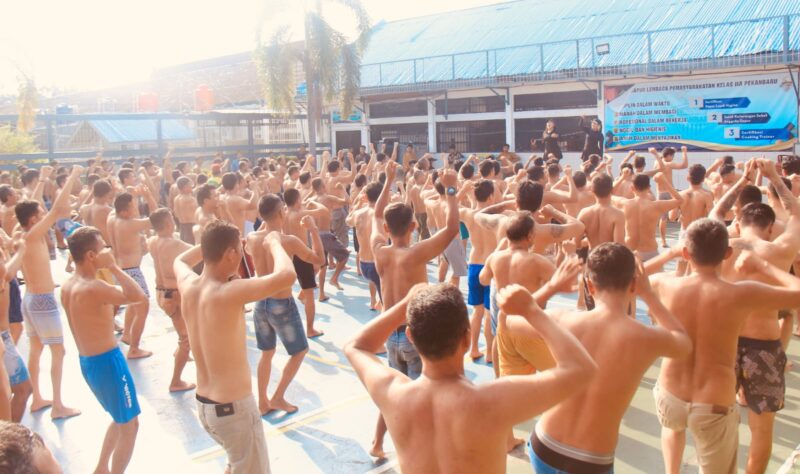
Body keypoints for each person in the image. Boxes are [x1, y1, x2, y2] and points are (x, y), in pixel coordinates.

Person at [345, 281, 596, 474]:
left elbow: (355, 346)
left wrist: (407, 304)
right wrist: (532, 311)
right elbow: (581, 369)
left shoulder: (393, 394)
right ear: (467, 338)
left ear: (411, 336)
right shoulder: (491, 402)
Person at [649, 218, 800, 474]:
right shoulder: (740, 294)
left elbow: (627, 276)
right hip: (713, 403)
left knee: (672, 430)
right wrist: (764, 266)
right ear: (728, 253)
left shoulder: (666, 284)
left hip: (671, 393)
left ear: (686, 253)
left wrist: (669, 254)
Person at [530, 243, 691, 473]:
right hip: (590, 460)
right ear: (633, 285)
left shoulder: (562, 319)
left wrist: (552, 286)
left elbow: (510, 319)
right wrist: (648, 294)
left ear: (589, 286)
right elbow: (684, 343)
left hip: (545, 444)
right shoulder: (645, 337)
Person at [175, 221, 296, 474]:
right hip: (233, 410)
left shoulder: (188, 284)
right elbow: (287, 276)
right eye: (239, 249)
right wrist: (274, 242)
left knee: (236, 463)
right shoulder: (228, 292)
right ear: (230, 254)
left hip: (206, 407)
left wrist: (209, 243)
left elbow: (180, 260)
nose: (241, 254)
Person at [367, 161, 460, 458]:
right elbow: (452, 229)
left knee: (393, 393)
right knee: (425, 395)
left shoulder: (379, 252)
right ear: (413, 226)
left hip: (390, 337)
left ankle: (377, 443)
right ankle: (424, 451)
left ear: (387, 229)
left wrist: (388, 180)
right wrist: (451, 189)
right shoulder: (416, 253)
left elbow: (376, 214)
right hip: (414, 333)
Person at [717, 159, 800, 474]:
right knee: (761, 429)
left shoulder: (722, 245)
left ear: (738, 222)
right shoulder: (778, 251)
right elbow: (797, 214)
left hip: (725, 344)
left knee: (717, 422)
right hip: (764, 346)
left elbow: (717, 212)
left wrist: (742, 182)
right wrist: (775, 178)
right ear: (770, 227)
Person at [61, 226, 146, 474]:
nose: (108, 251)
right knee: (130, 425)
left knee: (120, 418)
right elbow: (137, 295)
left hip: (89, 362)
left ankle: (101, 467)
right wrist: (114, 267)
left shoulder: (68, 286)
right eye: (103, 248)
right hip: (108, 363)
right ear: (91, 255)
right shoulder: (93, 287)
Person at [246, 194, 324, 414]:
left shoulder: (252, 237)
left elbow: (251, 247)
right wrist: (313, 230)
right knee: (299, 351)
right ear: (281, 212)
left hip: (261, 301)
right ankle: (278, 396)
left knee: (267, 353)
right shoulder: (288, 241)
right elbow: (319, 260)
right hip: (281, 302)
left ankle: (263, 402)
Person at [15, 165, 82, 419]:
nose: (43, 214)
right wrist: (73, 176)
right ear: (34, 219)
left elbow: (32, 206)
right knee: (58, 351)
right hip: (42, 300)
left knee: (36, 348)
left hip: (30, 300)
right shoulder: (33, 234)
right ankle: (58, 405)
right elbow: (56, 209)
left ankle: (38, 399)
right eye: (39, 213)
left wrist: (43, 179)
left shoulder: (22, 232)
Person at [146, 209, 195, 392]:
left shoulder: (152, 241)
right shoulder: (173, 243)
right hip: (173, 295)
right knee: (186, 339)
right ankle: (176, 381)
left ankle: (180, 353)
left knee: (182, 329)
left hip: (161, 293)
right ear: (168, 223)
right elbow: (199, 250)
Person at [107, 193, 153, 359]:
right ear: (124, 211)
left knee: (133, 304)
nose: (136, 209)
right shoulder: (129, 224)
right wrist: (149, 196)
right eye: (133, 206)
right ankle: (134, 348)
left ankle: (127, 334)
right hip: (132, 271)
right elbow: (157, 218)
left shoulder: (112, 218)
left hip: (122, 269)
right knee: (142, 306)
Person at [0, 237, 31, 422]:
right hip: (2, 337)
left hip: (5, 337)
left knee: (20, 390)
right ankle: (8, 434)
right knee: (22, 389)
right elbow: (6, 273)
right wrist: (20, 250)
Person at [617, 173, 682, 261]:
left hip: (630, 251)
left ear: (632, 188)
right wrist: (664, 181)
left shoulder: (624, 204)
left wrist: (622, 178)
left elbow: (608, 194)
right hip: (650, 251)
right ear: (648, 188)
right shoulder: (656, 206)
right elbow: (680, 200)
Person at [347, 182, 383, 311]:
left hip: (364, 263)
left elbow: (348, 220)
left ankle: (373, 300)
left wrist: (358, 203)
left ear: (366, 197)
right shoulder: (381, 214)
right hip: (378, 262)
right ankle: (380, 304)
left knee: (372, 281)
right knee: (385, 299)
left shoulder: (358, 213)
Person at [651, 146, 690, 248]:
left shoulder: (656, 162)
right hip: (670, 192)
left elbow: (662, 157)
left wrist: (672, 150)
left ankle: (663, 241)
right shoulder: (668, 164)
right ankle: (677, 222)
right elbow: (684, 165)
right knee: (678, 211)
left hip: (660, 193)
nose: (673, 158)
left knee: (663, 218)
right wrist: (684, 152)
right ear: (668, 156)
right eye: (672, 156)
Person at [172, 177, 197, 244]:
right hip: (191, 227)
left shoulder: (176, 199)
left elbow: (176, 214)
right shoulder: (190, 199)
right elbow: (197, 212)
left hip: (182, 226)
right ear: (185, 187)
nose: (191, 186)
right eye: (190, 185)